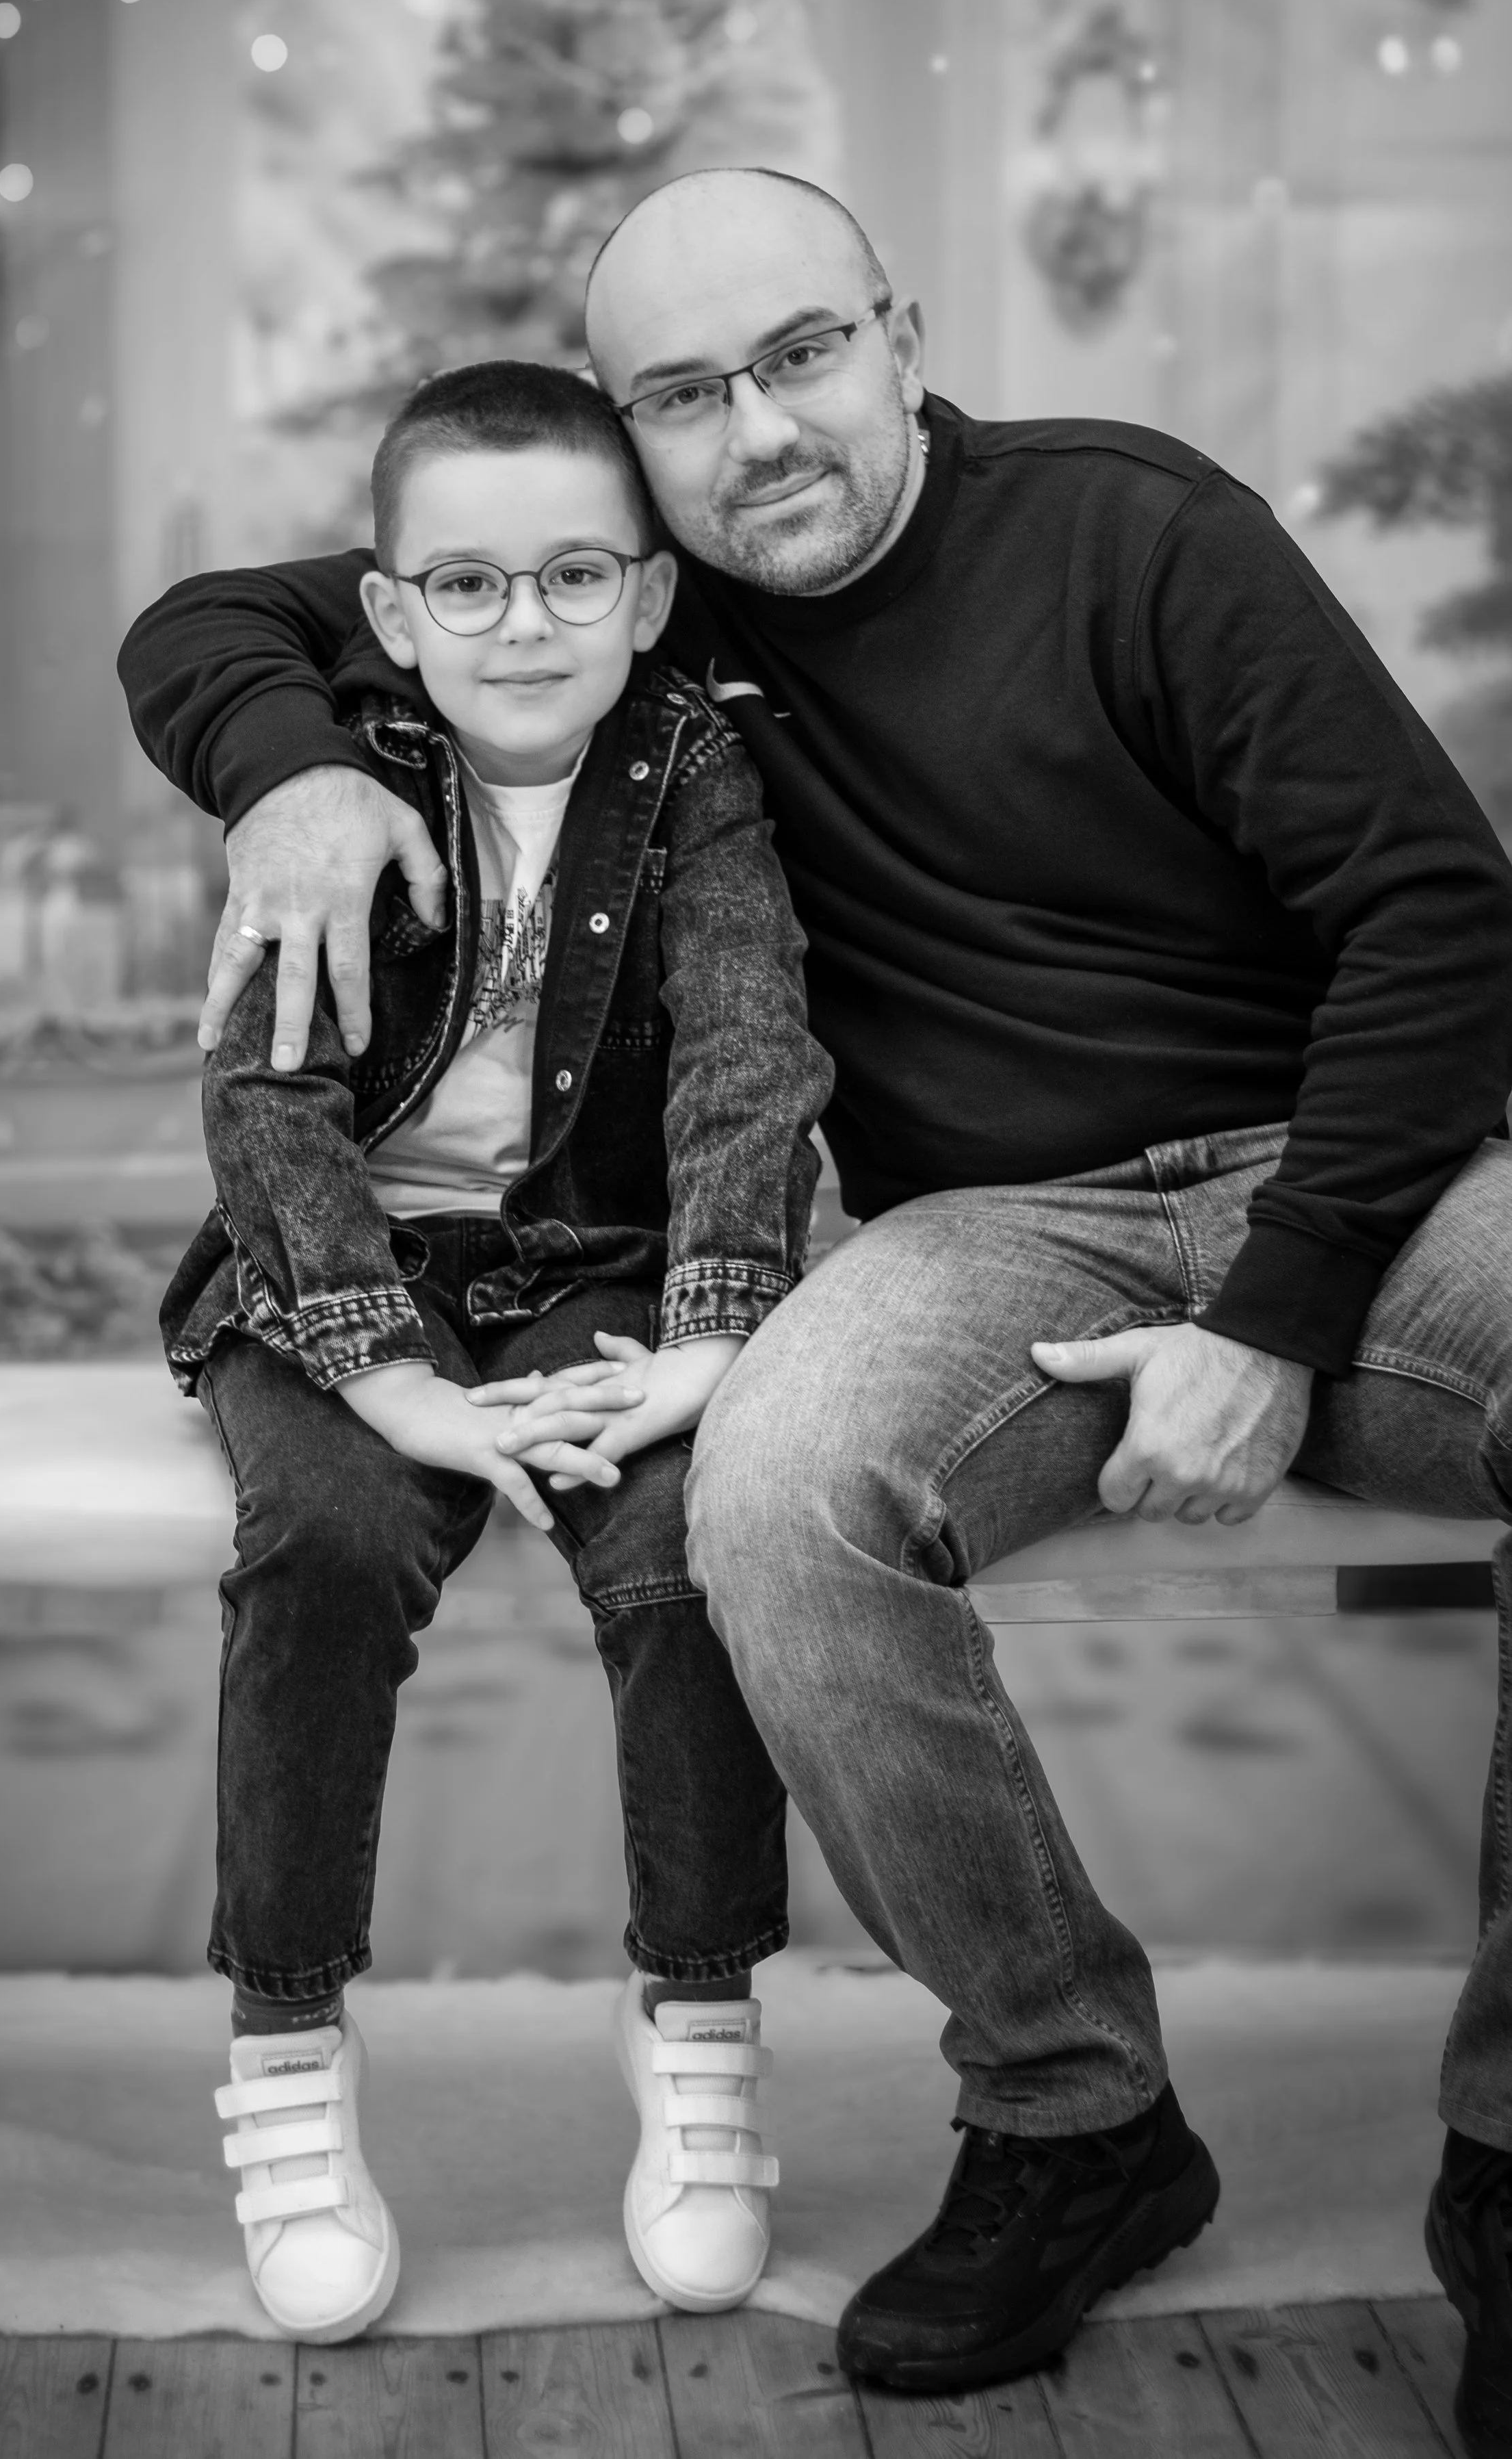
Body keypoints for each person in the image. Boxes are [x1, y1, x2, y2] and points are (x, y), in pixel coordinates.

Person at [121, 170, 1512, 2454]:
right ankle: (1073, 2113)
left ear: (898, 330)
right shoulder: (629, 614)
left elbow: (1441, 921)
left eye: (796, 355)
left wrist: (1269, 1314)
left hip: (1349, 1179)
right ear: (630, 452)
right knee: (769, 1485)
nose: (758, 428)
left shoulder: (1134, 533)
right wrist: (280, 774)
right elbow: (215, 618)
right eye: (681, 392)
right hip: (1000, 1232)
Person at [156, 358, 831, 2344]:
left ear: (645, 594)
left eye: (570, 577)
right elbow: (265, 1103)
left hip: (598, 1264)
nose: (520, 624)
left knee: (683, 1540)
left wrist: (710, 1335)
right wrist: (385, 1378)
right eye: (465, 585)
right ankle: (286, 2059)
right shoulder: (336, 779)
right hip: (333, 1274)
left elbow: (744, 1049)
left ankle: (695, 2027)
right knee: (327, 1544)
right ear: (390, 609)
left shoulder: (695, 769)